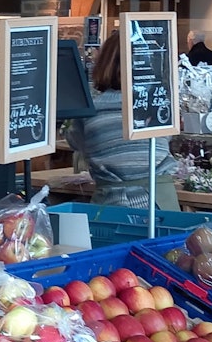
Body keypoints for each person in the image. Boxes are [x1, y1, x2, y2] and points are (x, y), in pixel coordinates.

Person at [66, 30, 180, 210]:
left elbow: (76, 142)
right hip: (160, 203)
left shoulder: (89, 110)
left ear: (103, 64)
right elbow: (165, 140)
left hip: (110, 204)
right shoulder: (158, 103)